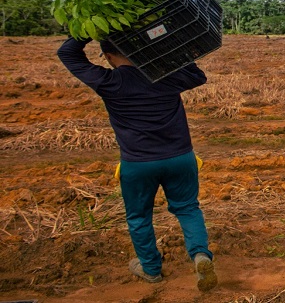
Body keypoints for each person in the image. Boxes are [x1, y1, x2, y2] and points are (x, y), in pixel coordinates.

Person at [57, 37, 218, 292]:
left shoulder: (109, 82)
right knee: (188, 208)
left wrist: (91, 30)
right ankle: (201, 256)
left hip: (138, 164)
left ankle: (151, 269)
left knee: (139, 217)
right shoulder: (163, 75)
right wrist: (162, 50)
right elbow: (197, 75)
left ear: (109, 57)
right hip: (180, 158)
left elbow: (67, 53)